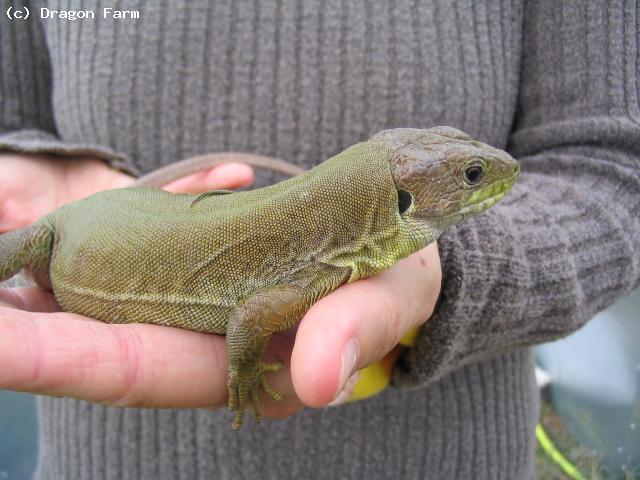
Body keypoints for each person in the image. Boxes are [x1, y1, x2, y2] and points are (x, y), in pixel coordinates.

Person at [0, 1, 638, 478]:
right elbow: (251, 319)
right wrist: (242, 375)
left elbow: (612, 167)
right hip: (76, 272)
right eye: (471, 177)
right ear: (402, 201)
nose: (491, 175)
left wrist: (453, 273)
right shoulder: (319, 260)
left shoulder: (347, 241)